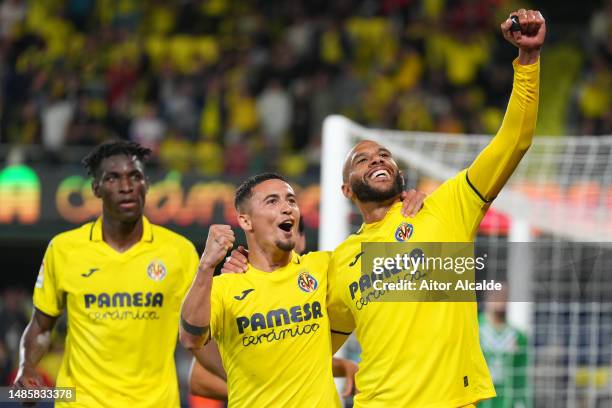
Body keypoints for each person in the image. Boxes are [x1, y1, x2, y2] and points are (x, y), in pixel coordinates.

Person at [325, 9, 546, 407]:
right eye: (362, 160)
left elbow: (513, 141)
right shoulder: (340, 262)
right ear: (346, 190)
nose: (377, 160)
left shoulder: (447, 207)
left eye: (384, 155)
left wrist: (527, 62)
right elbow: (311, 348)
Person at [13, 141, 199, 407]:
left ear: (146, 184)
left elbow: (203, 333)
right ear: (96, 188)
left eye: (134, 176)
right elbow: (42, 327)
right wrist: (26, 367)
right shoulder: (64, 249)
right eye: (113, 178)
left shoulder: (179, 252)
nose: (126, 187)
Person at [479, 286, 529, 408]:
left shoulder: (518, 336)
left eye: (505, 297)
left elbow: (521, 376)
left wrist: (523, 403)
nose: (501, 301)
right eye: (496, 296)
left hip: (506, 401)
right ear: (487, 299)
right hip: (478, 399)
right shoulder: (473, 328)